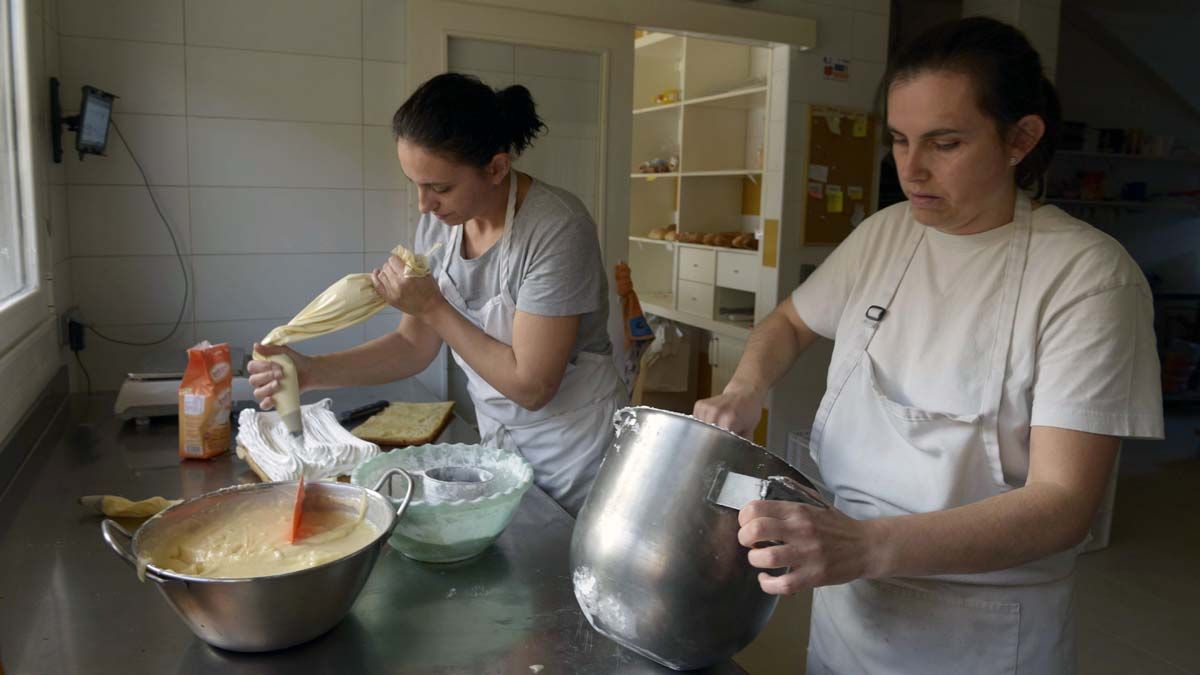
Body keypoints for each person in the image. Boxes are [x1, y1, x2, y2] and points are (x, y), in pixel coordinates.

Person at [694, 17, 1163, 674]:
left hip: (980, 632)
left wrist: (865, 545)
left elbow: (1063, 504)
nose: (910, 169)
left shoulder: (1088, 276)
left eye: (945, 143)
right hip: (848, 607)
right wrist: (746, 389)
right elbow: (789, 324)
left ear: (1020, 139)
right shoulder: (885, 235)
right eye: (899, 140)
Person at [250, 73, 625, 516]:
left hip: (575, 454)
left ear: (496, 168)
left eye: (440, 187)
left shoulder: (556, 229)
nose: (424, 205)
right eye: (416, 184)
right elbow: (413, 346)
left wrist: (431, 304)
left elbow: (532, 385)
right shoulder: (441, 226)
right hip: (500, 448)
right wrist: (312, 372)